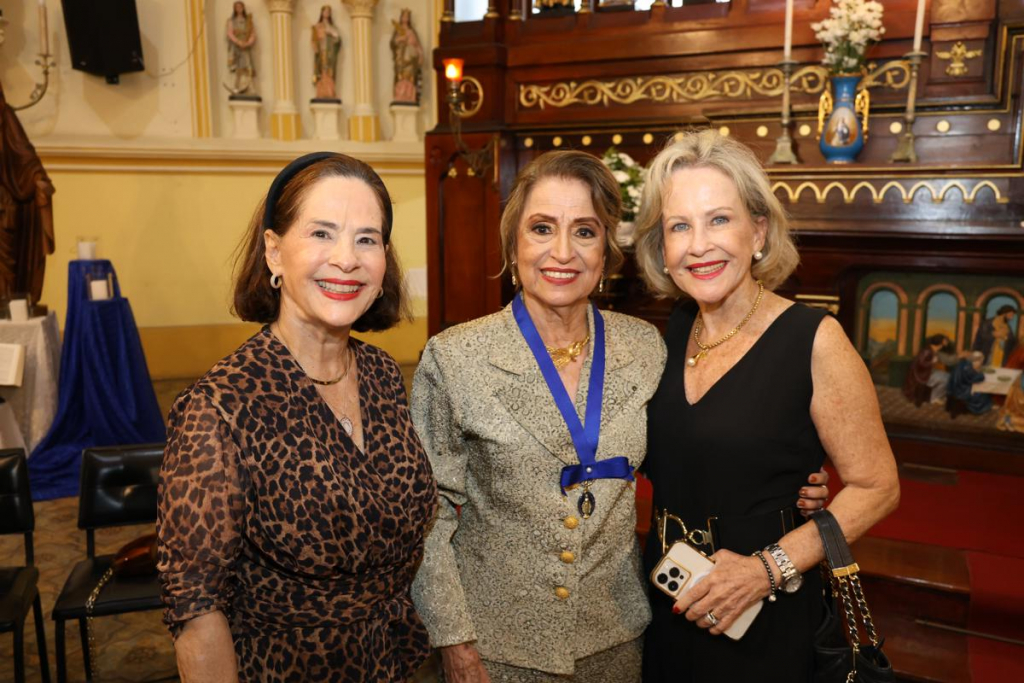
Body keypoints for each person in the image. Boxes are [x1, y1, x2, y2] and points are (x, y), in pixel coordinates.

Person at [410, 150, 828, 682]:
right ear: (513, 243)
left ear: (607, 250)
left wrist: (792, 482)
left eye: (584, 231)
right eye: (542, 228)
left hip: (619, 639)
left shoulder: (645, 347)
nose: (562, 251)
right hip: (496, 645)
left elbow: (689, 448)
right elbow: (426, 518)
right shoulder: (455, 357)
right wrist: (455, 644)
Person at [158, 152, 437, 682]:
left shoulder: (380, 373)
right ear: (274, 252)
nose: (346, 259)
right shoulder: (220, 407)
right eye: (322, 233)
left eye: (366, 238)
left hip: (395, 661)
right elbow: (198, 611)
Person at [633, 130, 900, 682]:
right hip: (670, 601)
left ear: (758, 230)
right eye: (679, 226)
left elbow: (879, 488)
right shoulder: (671, 333)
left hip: (765, 618)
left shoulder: (814, 338)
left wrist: (765, 570)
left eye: (719, 220)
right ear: (662, 248)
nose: (699, 244)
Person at [0, 80, 55, 303]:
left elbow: (25, 156)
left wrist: (38, 179)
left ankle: (5, 303)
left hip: (3, 206)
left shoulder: (5, 118)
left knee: (5, 263)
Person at [903, 334, 958, 405]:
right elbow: (921, 364)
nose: (944, 345)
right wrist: (932, 362)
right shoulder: (927, 351)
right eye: (943, 342)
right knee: (947, 379)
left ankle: (937, 396)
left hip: (928, 373)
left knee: (949, 377)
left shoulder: (933, 351)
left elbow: (948, 360)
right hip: (922, 375)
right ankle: (934, 398)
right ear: (939, 343)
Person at [390, 9, 424, 105]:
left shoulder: (411, 31)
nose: (405, 18)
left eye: (407, 17)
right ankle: (401, 94)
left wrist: (420, 54)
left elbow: (417, 45)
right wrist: (401, 39)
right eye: (404, 16)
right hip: (400, 57)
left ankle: (409, 94)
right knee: (401, 76)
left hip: (410, 58)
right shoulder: (398, 30)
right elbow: (393, 43)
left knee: (410, 76)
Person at [226, 2, 257, 96]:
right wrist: (238, 42)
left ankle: (251, 87)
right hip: (236, 48)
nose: (239, 9)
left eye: (240, 7)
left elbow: (253, 34)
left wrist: (247, 43)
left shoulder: (248, 21)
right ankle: (235, 87)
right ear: (234, 9)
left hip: (245, 47)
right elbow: (230, 33)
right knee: (237, 68)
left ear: (243, 8)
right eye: (237, 7)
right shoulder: (231, 21)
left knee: (248, 67)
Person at [948, 350, 992, 415]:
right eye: (980, 361)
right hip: (962, 390)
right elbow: (979, 378)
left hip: (956, 387)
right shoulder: (968, 368)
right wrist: (980, 373)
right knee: (982, 394)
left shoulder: (963, 363)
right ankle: (977, 410)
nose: (980, 363)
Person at [312, 5, 342, 100]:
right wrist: (316, 46)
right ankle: (322, 91)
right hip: (322, 51)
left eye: (328, 12)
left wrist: (332, 33)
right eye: (325, 11)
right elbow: (314, 40)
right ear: (322, 13)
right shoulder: (318, 26)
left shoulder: (332, 27)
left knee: (330, 70)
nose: (326, 13)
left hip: (330, 53)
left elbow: (338, 40)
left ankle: (330, 91)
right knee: (322, 70)